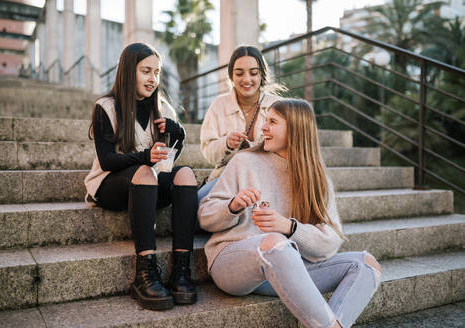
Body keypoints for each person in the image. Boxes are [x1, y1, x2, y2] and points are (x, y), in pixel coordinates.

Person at [198, 99, 381, 328]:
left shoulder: (317, 180)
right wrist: (232, 206)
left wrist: (290, 227)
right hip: (232, 263)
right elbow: (205, 216)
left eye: (272, 122)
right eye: (266, 121)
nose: (263, 128)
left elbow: (331, 241)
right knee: (274, 242)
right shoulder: (244, 161)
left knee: (366, 264)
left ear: (295, 129)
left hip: (286, 268)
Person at [84, 43, 197, 311]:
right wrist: (145, 157)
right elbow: (108, 160)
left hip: (149, 187)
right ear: (127, 71)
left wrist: (177, 134)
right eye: (146, 71)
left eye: (157, 72)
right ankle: (145, 272)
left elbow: (167, 163)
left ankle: (181, 271)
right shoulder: (106, 107)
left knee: (186, 176)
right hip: (110, 186)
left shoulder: (163, 108)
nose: (153, 79)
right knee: (145, 170)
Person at [198, 45, 285, 202]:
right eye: (239, 73)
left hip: (268, 177)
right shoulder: (218, 105)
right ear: (231, 76)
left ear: (262, 75)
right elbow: (208, 153)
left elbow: (289, 149)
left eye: (253, 73)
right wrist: (227, 144)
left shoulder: (278, 105)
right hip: (227, 176)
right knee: (198, 203)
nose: (246, 79)